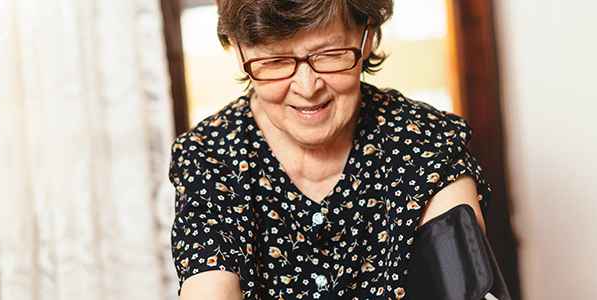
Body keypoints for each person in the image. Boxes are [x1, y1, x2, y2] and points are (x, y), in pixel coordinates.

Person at [169, 1, 491, 299]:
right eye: (276, 60)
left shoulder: (425, 140)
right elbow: (209, 287)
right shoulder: (209, 157)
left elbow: (462, 285)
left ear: (367, 36)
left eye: (329, 54)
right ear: (239, 52)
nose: (307, 88)